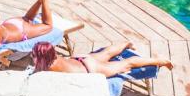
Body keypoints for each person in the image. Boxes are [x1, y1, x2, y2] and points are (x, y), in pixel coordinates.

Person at [31, 40, 173, 76]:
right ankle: (126, 43)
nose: (32, 56)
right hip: (81, 59)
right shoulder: (54, 57)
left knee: (127, 63)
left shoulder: (46, 68)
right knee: (106, 53)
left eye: (34, 55)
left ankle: (162, 61)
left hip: (90, 69)